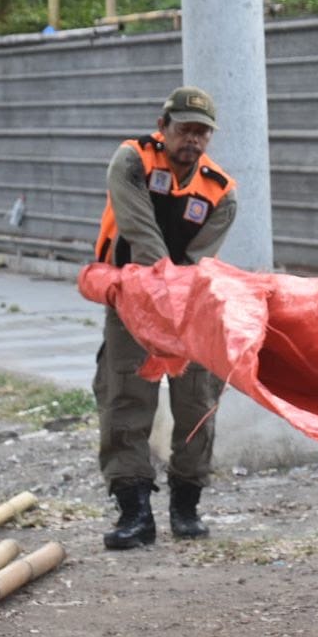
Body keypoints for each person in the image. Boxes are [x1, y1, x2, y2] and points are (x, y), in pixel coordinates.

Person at [91, 85, 237, 550]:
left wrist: (176, 298)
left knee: (197, 401)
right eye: (184, 129)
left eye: (202, 133)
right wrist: (157, 288)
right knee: (125, 399)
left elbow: (199, 259)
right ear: (163, 127)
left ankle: (187, 504)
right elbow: (140, 230)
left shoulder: (221, 192)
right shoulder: (131, 161)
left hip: (190, 308)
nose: (192, 140)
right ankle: (134, 511)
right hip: (132, 299)